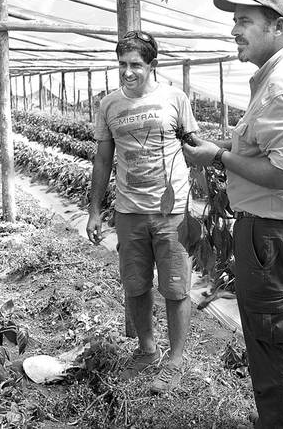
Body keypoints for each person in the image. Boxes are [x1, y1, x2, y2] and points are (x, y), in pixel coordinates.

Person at [182, 0, 283, 429]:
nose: (234, 30)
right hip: (278, 232)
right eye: (233, 21)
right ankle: (274, 417)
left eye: (244, 21)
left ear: (279, 26)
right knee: (271, 336)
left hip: (274, 235)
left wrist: (220, 156)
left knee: (274, 339)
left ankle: (280, 424)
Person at [86, 30, 199, 394]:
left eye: (135, 64)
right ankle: (147, 350)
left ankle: (176, 361)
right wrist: (94, 211)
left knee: (176, 287)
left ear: (152, 65)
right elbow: (102, 159)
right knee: (135, 285)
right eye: (122, 64)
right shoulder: (109, 106)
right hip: (129, 210)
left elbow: (193, 148)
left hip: (172, 212)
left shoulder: (174, 98)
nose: (128, 72)